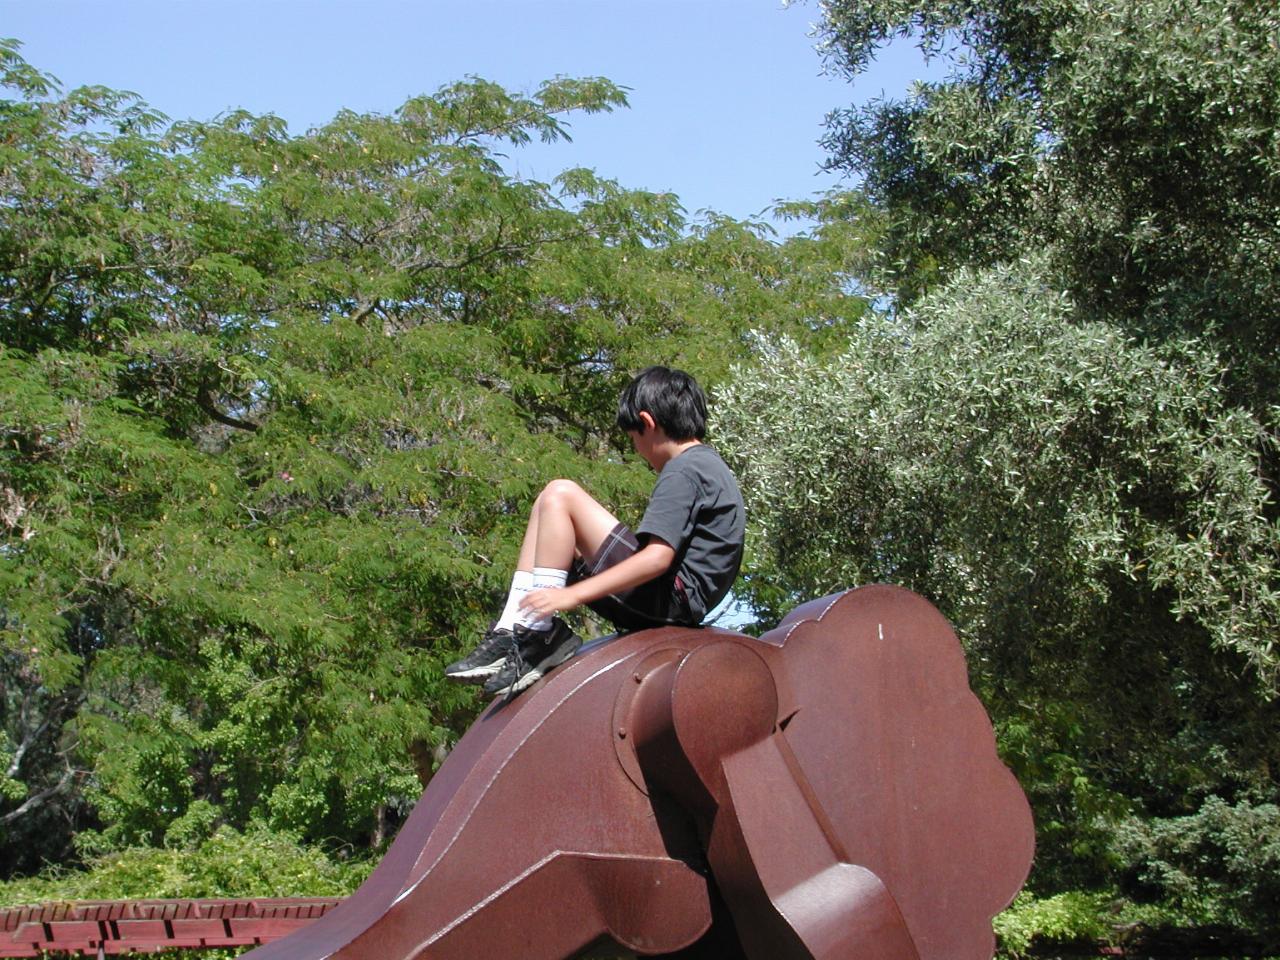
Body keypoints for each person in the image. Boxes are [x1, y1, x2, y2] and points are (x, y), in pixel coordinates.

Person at [445, 366, 745, 697]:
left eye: (633, 439)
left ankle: (539, 632)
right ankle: (514, 627)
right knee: (547, 503)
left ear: (647, 423)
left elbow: (657, 559)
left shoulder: (684, 470)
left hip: (669, 601)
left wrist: (570, 595)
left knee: (560, 493)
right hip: (674, 601)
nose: (637, 451)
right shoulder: (706, 465)